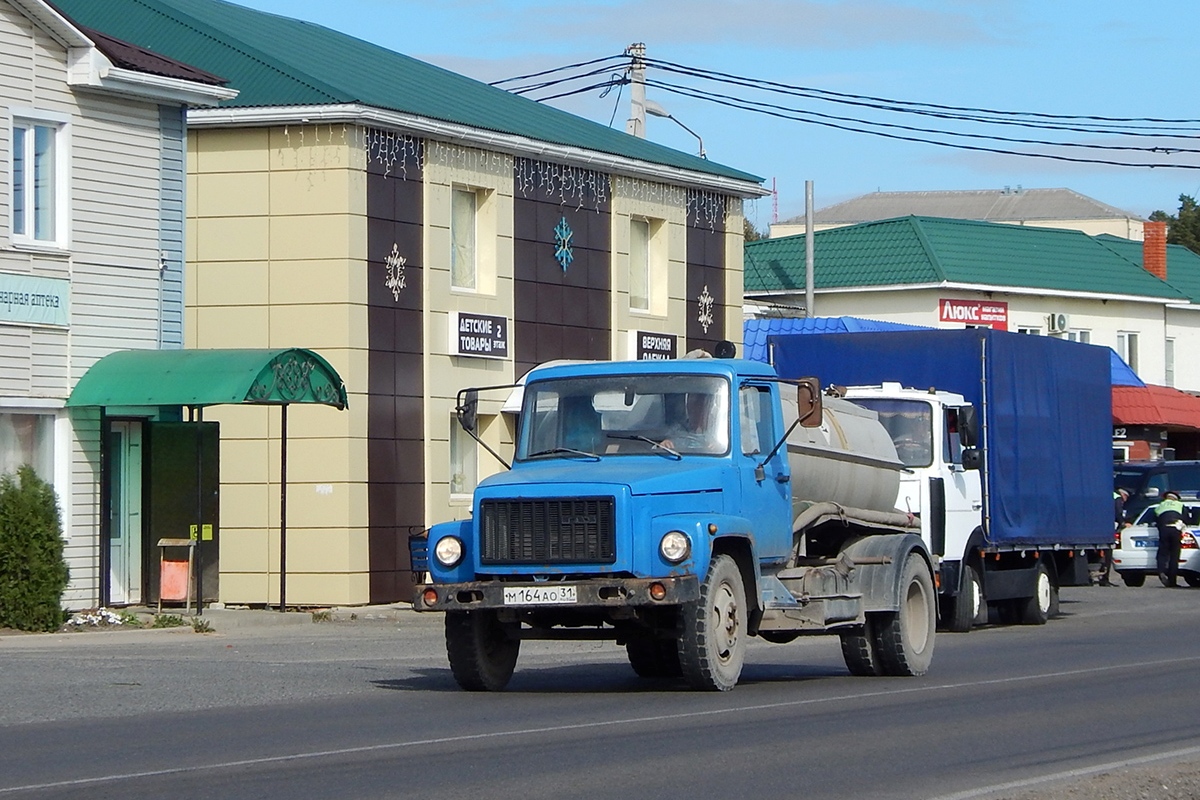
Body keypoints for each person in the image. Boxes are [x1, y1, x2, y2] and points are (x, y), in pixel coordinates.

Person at [1154, 489, 1185, 588]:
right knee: (1174, 555)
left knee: (1162, 552)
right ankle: (1172, 580)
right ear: (1176, 498)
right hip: (1175, 529)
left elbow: (1155, 519)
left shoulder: (1160, 506)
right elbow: (1187, 519)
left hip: (1164, 529)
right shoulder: (1180, 505)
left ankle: (1161, 571)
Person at [1100, 488, 1130, 586]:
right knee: (1108, 552)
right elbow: (1118, 513)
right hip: (1108, 528)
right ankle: (1105, 578)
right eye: (1126, 497)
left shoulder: (1106, 494)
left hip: (1098, 526)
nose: (1125, 500)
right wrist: (1123, 523)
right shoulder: (1117, 498)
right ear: (1123, 494)